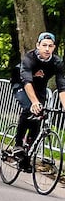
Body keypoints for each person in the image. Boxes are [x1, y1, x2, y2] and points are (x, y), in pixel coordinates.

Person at [9, 33, 64, 171]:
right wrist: (34, 102)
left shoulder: (57, 62)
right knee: (29, 108)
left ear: (54, 48)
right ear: (37, 45)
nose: (47, 49)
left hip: (40, 88)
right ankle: (18, 145)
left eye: (50, 46)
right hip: (21, 84)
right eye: (44, 45)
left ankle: (26, 156)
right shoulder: (29, 58)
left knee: (38, 119)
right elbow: (27, 81)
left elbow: (62, 86)